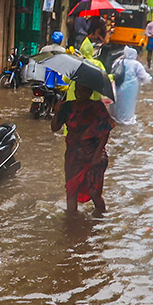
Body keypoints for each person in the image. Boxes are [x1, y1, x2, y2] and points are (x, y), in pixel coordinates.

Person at [51, 81, 113, 215]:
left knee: (94, 192)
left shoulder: (97, 107)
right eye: (78, 90)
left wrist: (97, 155)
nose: (80, 93)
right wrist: (56, 112)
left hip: (94, 155)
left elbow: (105, 131)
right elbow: (55, 128)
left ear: (90, 92)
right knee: (71, 190)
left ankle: (100, 221)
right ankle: (71, 224)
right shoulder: (67, 107)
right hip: (73, 155)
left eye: (84, 90)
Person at [111, 46, 152, 125]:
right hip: (130, 91)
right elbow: (144, 77)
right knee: (127, 107)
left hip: (117, 88)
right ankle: (126, 123)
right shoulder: (136, 64)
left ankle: (115, 120)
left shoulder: (118, 62)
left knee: (117, 105)